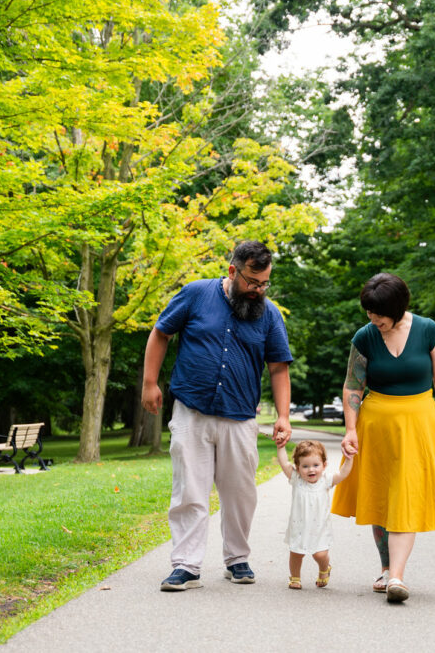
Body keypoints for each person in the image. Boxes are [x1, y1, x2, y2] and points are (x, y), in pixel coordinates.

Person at [142, 240, 293, 592]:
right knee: (189, 491)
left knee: (240, 493)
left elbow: (278, 367)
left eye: (264, 283)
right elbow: (161, 332)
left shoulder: (269, 314)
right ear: (232, 271)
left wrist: (283, 415)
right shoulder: (195, 294)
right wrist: (150, 383)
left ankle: (237, 558)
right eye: (252, 282)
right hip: (191, 411)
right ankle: (186, 565)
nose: (258, 290)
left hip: (240, 417)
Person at [331, 272, 435, 603]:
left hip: (417, 423)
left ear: (399, 307)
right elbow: (353, 385)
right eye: (369, 312)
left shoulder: (428, 330)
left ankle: (398, 576)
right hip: (376, 426)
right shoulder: (365, 336)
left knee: (407, 495)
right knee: (381, 499)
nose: (374, 319)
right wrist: (351, 429)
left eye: (380, 313)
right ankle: (387, 569)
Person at [275, 439, 352, 589]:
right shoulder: (296, 479)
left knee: (320, 555)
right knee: (296, 553)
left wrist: (350, 457)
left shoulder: (325, 481)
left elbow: (343, 473)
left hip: (320, 528)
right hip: (299, 527)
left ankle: (324, 569)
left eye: (316, 465)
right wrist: (281, 447)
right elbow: (284, 463)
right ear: (297, 467)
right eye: (305, 466)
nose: (311, 470)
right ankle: (295, 577)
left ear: (324, 465)